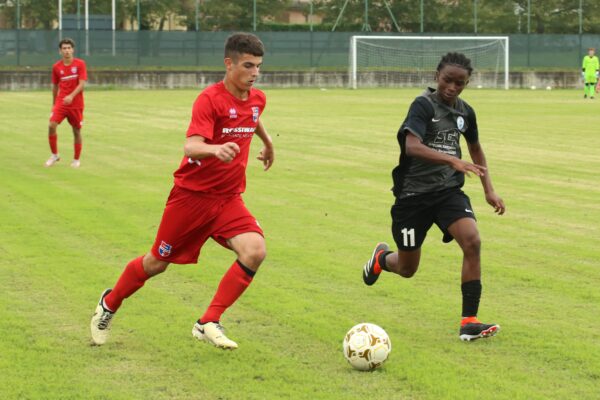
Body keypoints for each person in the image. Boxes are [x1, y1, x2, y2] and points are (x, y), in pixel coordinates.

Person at [90, 33, 274, 349]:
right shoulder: (209, 100)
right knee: (156, 263)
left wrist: (268, 143)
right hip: (191, 199)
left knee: (255, 250)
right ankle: (110, 302)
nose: (254, 72)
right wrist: (215, 150)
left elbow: (253, 118)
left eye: (258, 66)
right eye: (248, 65)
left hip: (228, 199)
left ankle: (208, 322)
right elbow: (191, 144)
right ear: (229, 64)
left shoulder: (257, 98)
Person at [362, 52, 505, 342]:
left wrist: (489, 188)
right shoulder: (423, 105)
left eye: (460, 83)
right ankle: (381, 258)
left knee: (473, 241)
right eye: (447, 80)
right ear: (436, 76)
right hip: (412, 197)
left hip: (447, 193)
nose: (452, 87)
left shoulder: (466, 112)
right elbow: (412, 146)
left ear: (467, 83)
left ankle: (469, 321)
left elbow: (476, 150)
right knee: (406, 268)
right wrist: (451, 160)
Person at [45, 38, 87, 168]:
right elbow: (55, 86)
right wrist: (54, 103)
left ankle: (76, 160)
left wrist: (72, 96)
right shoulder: (56, 67)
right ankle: (54, 155)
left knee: (76, 131)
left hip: (76, 103)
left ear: (72, 50)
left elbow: (82, 84)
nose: (67, 51)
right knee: (52, 125)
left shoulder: (80, 64)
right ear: (60, 51)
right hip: (61, 102)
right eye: (64, 48)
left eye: (69, 48)